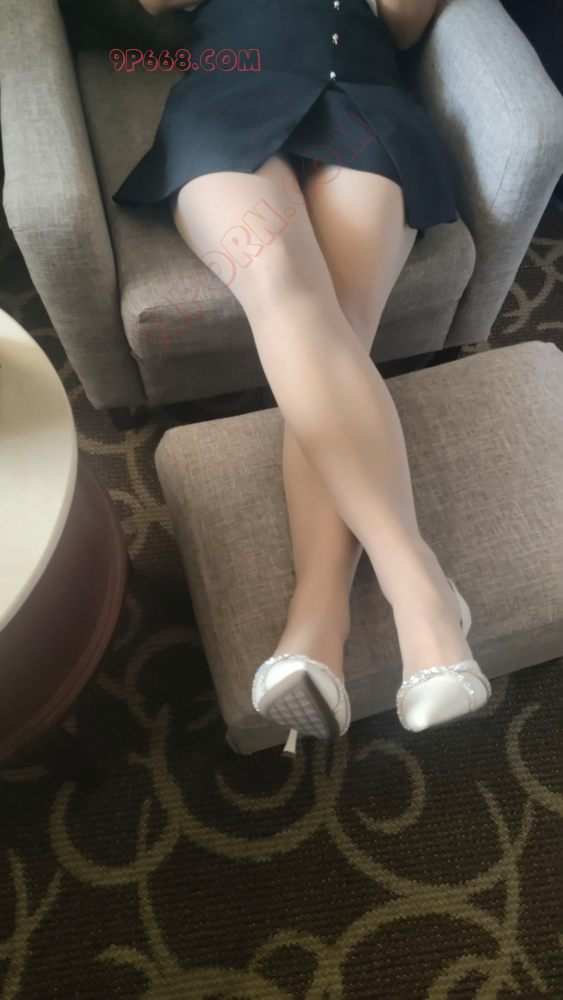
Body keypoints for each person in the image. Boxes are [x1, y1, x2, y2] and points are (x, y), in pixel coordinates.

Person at [114, 0, 492, 755]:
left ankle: (318, 622)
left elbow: (403, 23)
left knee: (339, 331)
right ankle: (422, 592)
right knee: (280, 283)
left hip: (364, 106)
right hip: (230, 96)